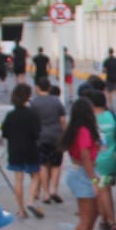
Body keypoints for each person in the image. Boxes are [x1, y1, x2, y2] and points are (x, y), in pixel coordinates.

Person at [62, 96, 103, 230]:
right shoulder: (84, 131)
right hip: (83, 173)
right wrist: (93, 179)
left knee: (93, 215)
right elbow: (85, 156)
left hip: (81, 172)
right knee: (86, 218)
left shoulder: (77, 130)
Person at [1, 84, 44, 219]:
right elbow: (37, 133)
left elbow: (5, 133)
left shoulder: (10, 115)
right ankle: (30, 200)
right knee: (35, 175)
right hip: (30, 148)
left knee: (18, 179)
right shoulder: (32, 115)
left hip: (15, 149)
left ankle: (20, 210)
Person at [83, 87, 116, 230]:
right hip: (111, 158)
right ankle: (106, 219)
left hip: (98, 160)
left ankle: (111, 221)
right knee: (107, 190)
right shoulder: (111, 116)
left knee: (102, 191)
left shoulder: (90, 120)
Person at [31, 78, 67, 206]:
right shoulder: (56, 101)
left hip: (41, 138)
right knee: (56, 165)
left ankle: (45, 193)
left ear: (38, 88)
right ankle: (54, 190)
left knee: (43, 165)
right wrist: (65, 135)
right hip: (56, 137)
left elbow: (32, 122)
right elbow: (63, 120)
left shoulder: (34, 102)